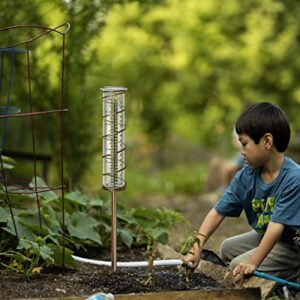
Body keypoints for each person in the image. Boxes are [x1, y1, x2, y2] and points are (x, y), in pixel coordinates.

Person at [184, 102, 300, 281]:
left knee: (236, 266)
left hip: (293, 245)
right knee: (226, 248)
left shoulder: (294, 178)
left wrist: (253, 262)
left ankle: (293, 273)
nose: (241, 151)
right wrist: (196, 248)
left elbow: (276, 227)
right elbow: (217, 212)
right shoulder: (247, 175)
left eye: (244, 144)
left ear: (267, 141)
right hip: (269, 236)